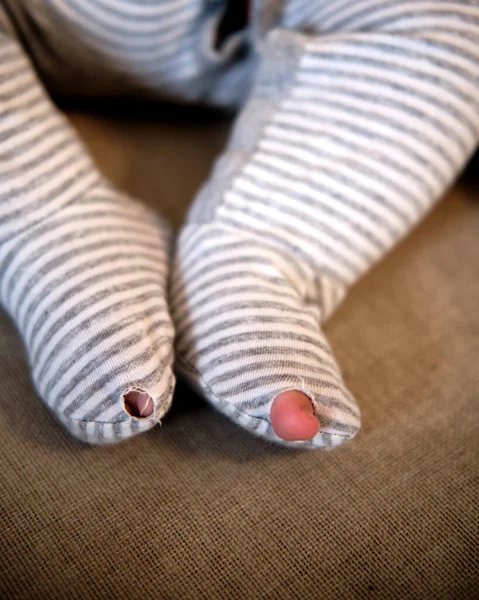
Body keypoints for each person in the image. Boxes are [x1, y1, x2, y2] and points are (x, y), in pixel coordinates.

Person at [0, 0, 477, 448]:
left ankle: (253, 251)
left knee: (449, 26)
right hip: (47, 21)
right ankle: (50, 218)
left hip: (276, 42)